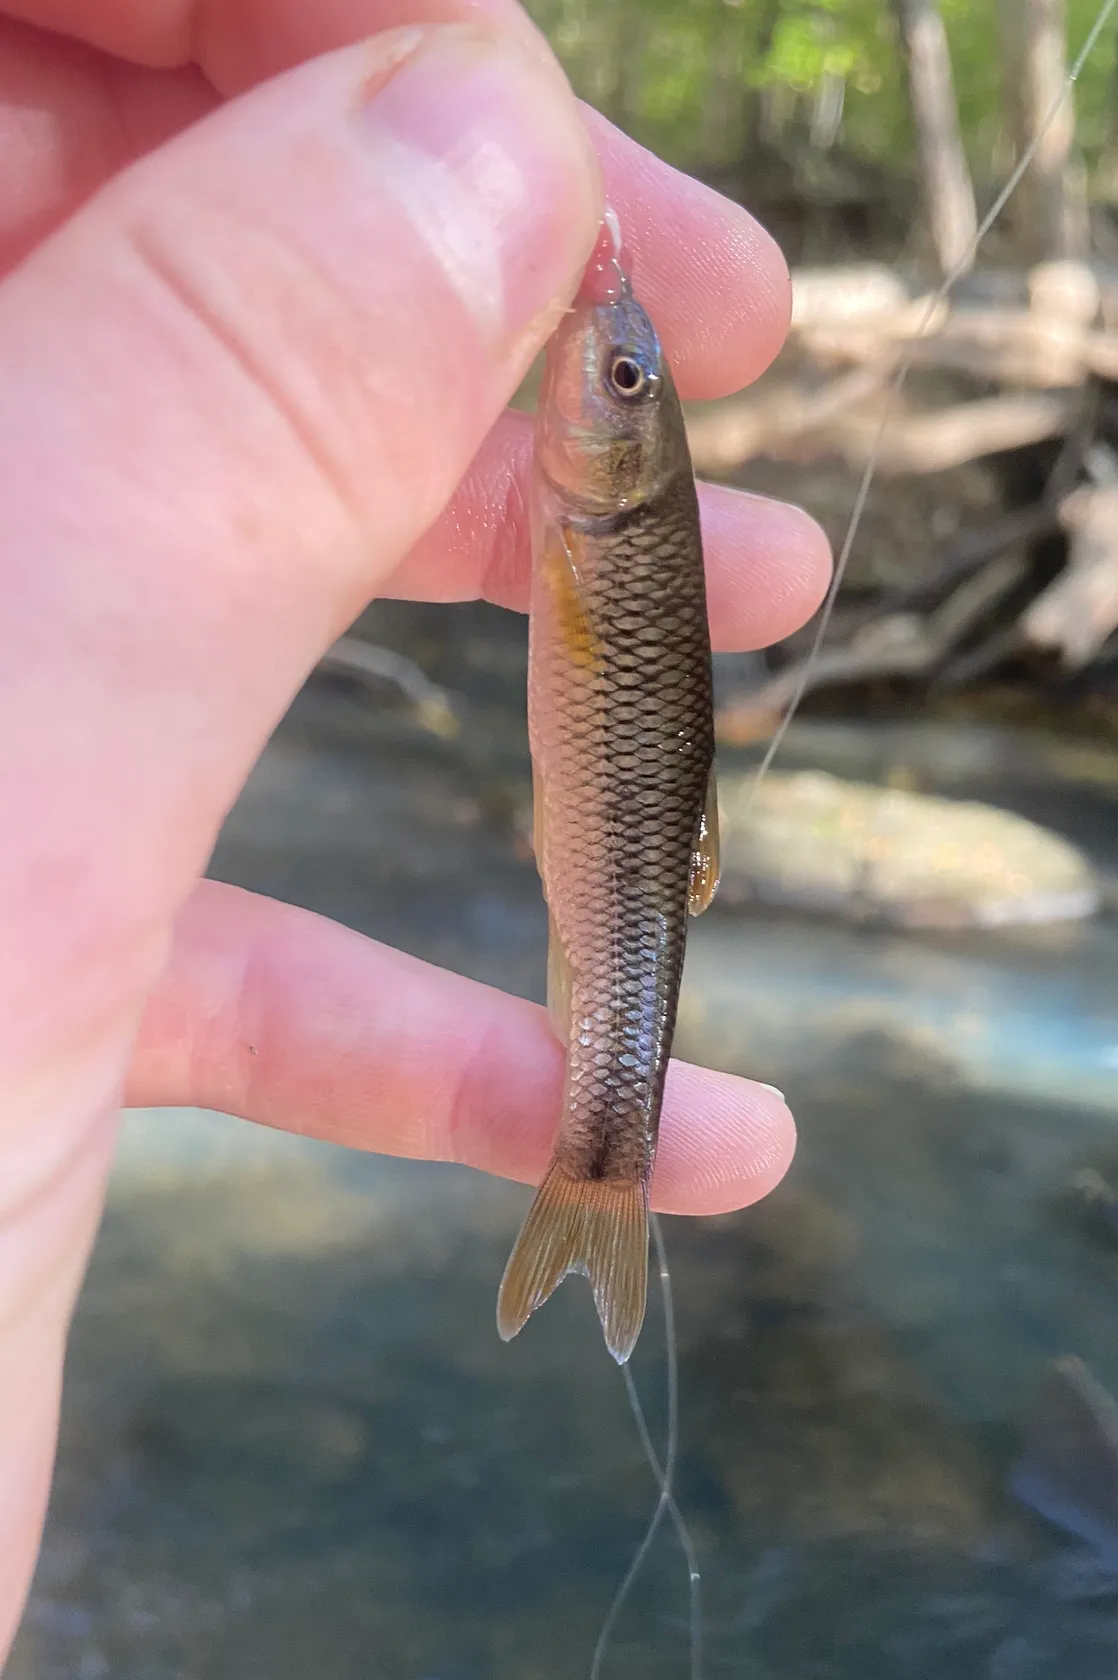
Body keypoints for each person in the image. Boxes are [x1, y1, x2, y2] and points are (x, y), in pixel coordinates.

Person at [0, 1, 829, 1656]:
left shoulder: (604, 493)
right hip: (621, 846)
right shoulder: (593, 502)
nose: (604, 377)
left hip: (620, 864)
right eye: (620, 379)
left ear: (622, 435)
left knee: (617, 983)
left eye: (618, 384)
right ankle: (603, 1168)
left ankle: (602, 1164)